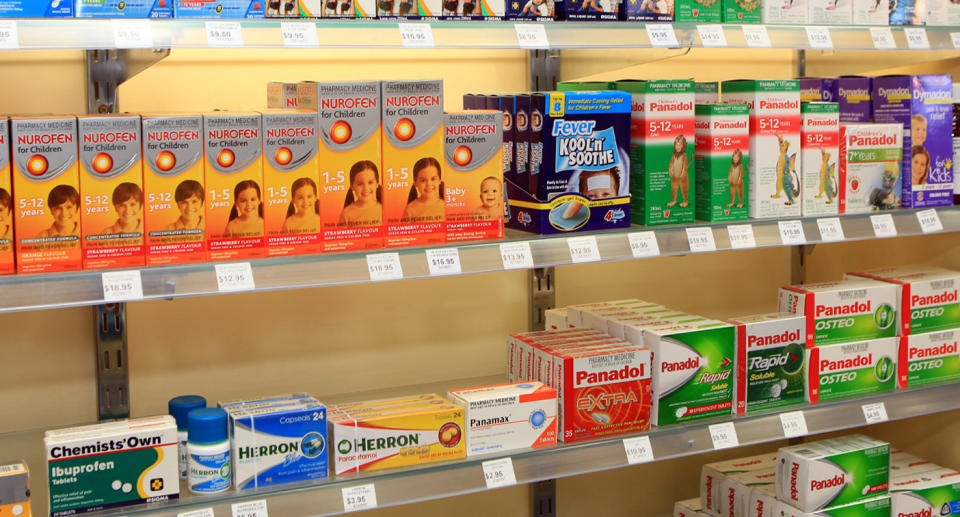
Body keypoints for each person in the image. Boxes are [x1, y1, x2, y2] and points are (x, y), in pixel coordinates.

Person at [339, 160, 383, 227]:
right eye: (360, 184)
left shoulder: (383, 209)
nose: (366, 188)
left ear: (377, 183)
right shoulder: (346, 214)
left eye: (370, 182)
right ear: (352, 186)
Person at [401, 157, 444, 223]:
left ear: (439, 180)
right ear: (415, 183)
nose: (429, 184)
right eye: (423, 180)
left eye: (433, 179)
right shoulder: (410, 210)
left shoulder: (446, 206)